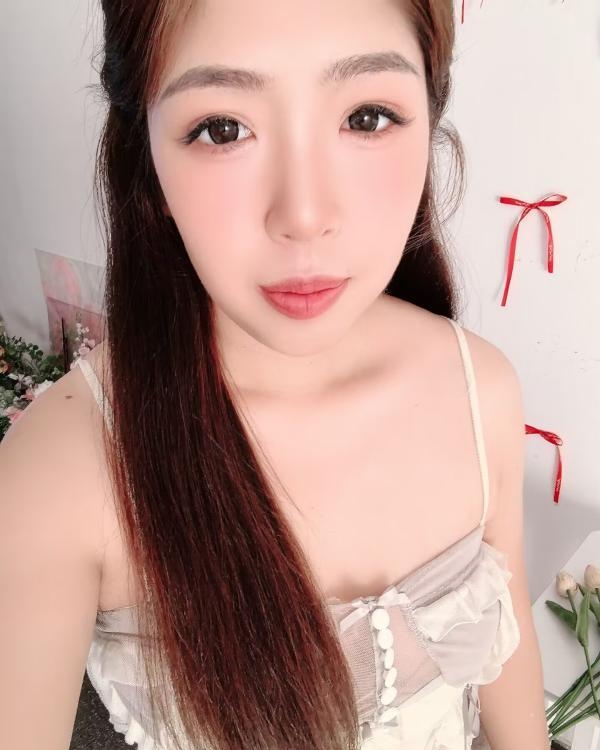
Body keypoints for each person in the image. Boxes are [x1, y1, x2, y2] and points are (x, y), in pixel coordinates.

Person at [0, 1, 551, 748]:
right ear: (147, 158)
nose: (304, 214)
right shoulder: (62, 473)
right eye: (222, 128)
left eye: (367, 118)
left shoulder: (480, 390)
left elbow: (508, 663)